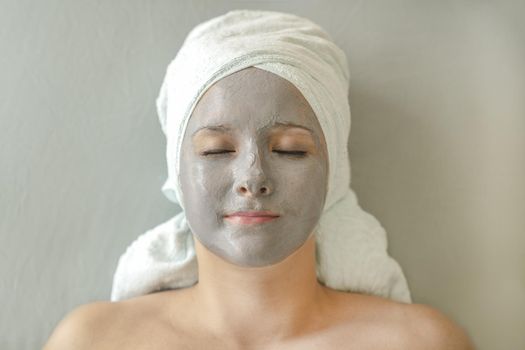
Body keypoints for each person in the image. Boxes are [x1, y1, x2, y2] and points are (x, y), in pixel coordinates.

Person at [44, 10, 474, 349]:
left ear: (335, 169)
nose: (253, 178)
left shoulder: (422, 344)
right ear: (177, 169)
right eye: (216, 150)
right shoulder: (91, 342)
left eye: (290, 149)